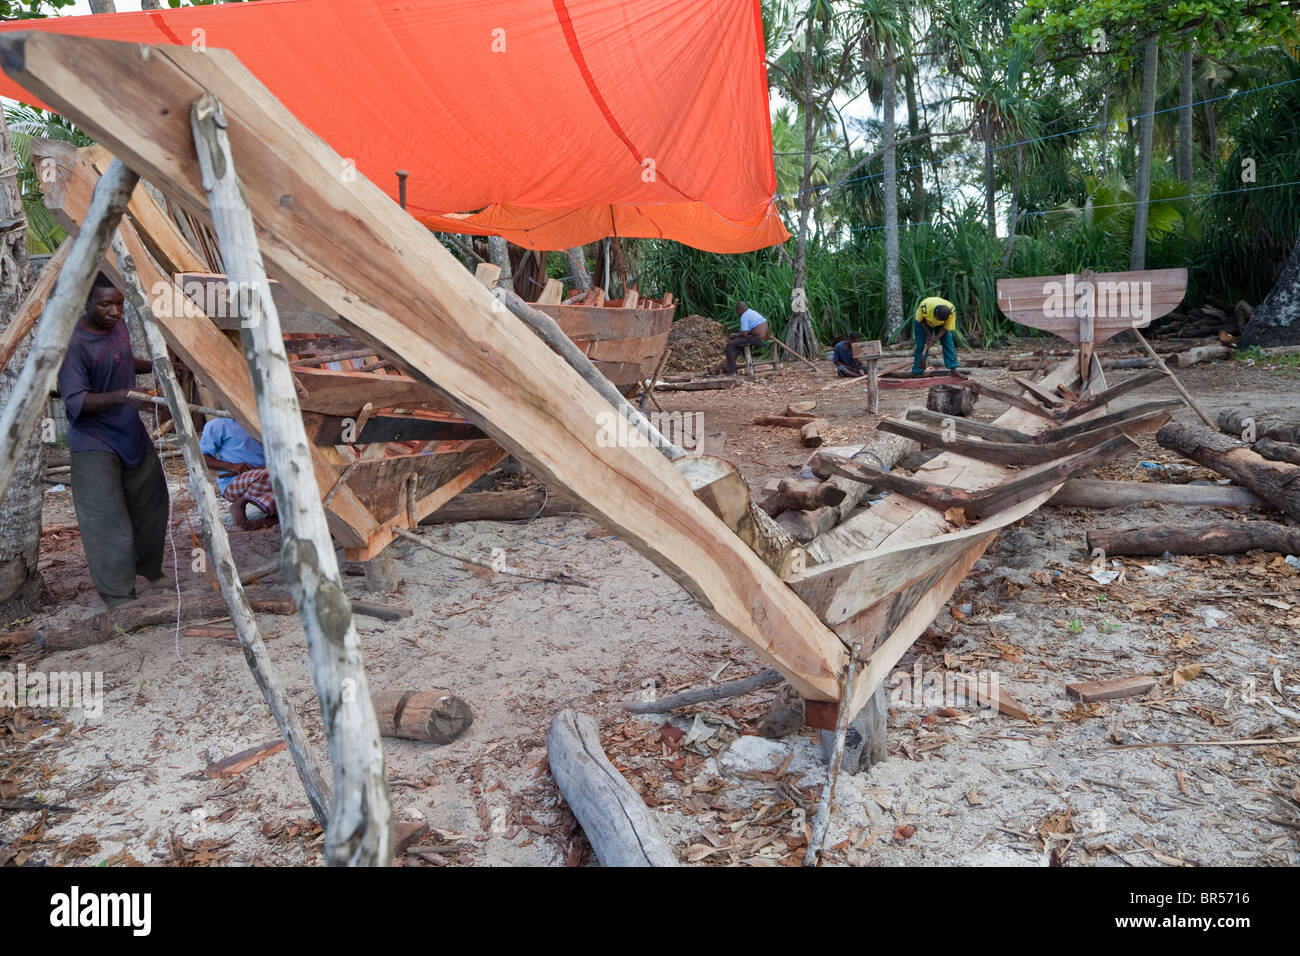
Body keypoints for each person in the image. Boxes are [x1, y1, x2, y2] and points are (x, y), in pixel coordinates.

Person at [58, 273, 170, 609]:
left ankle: (149, 570)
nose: (115, 310)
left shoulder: (117, 326)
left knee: (152, 505)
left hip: (130, 432)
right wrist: (123, 396)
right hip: (94, 440)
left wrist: (155, 366)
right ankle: (119, 598)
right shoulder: (72, 344)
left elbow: (120, 359)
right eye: (105, 303)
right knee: (107, 522)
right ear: (88, 303)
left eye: (119, 302)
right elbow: (75, 400)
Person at [200, 417, 278, 530]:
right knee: (273, 475)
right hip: (233, 481)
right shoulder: (219, 424)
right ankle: (241, 502)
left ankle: (271, 519)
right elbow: (202, 458)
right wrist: (232, 467)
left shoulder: (265, 422)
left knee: (290, 480)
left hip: (264, 477)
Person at [912, 295, 960, 376]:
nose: (939, 321)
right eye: (939, 319)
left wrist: (934, 339)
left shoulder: (951, 310)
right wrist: (928, 335)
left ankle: (953, 369)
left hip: (942, 326)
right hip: (923, 323)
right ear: (936, 313)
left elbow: (945, 328)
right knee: (921, 346)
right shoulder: (925, 306)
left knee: (949, 344)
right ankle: (918, 371)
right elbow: (920, 321)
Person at [723, 301, 771, 375]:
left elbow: (744, 333)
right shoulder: (752, 312)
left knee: (730, 345)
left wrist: (734, 335)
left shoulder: (744, 316)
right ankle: (730, 367)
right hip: (765, 340)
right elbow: (749, 331)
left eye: (737, 312)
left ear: (740, 310)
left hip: (759, 340)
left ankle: (732, 371)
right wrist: (737, 336)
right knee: (739, 343)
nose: (737, 314)